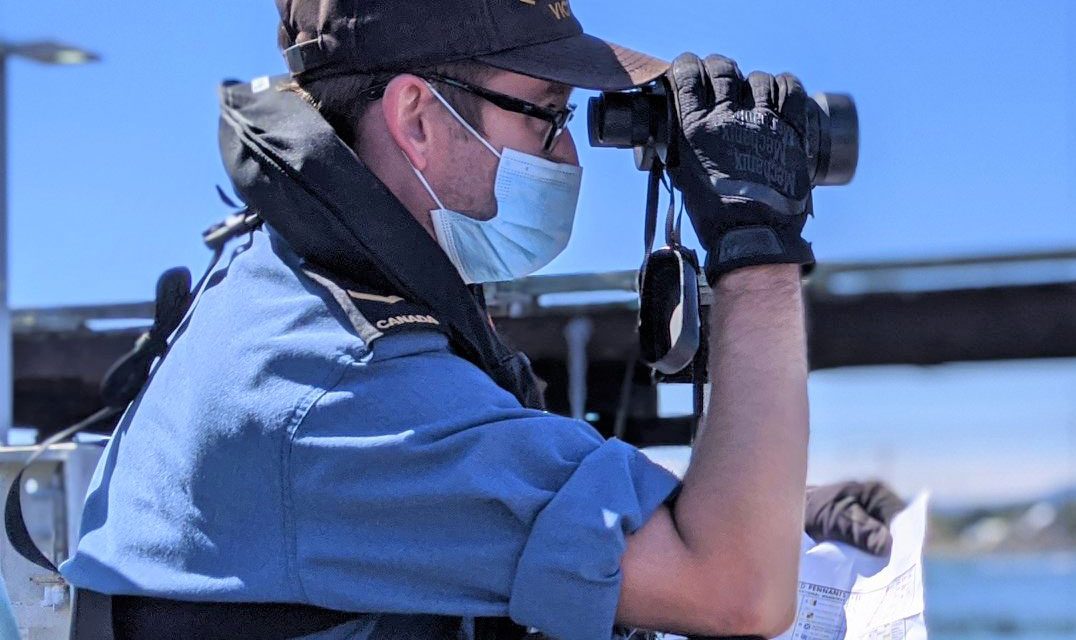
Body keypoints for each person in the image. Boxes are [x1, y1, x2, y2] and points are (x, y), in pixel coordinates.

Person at [58, 1, 903, 638]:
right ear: (418, 118)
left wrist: (774, 509)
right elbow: (738, 591)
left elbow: (495, 487)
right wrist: (757, 247)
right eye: (548, 114)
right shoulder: (345, 386)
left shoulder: (294, 282)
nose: (568, 156)